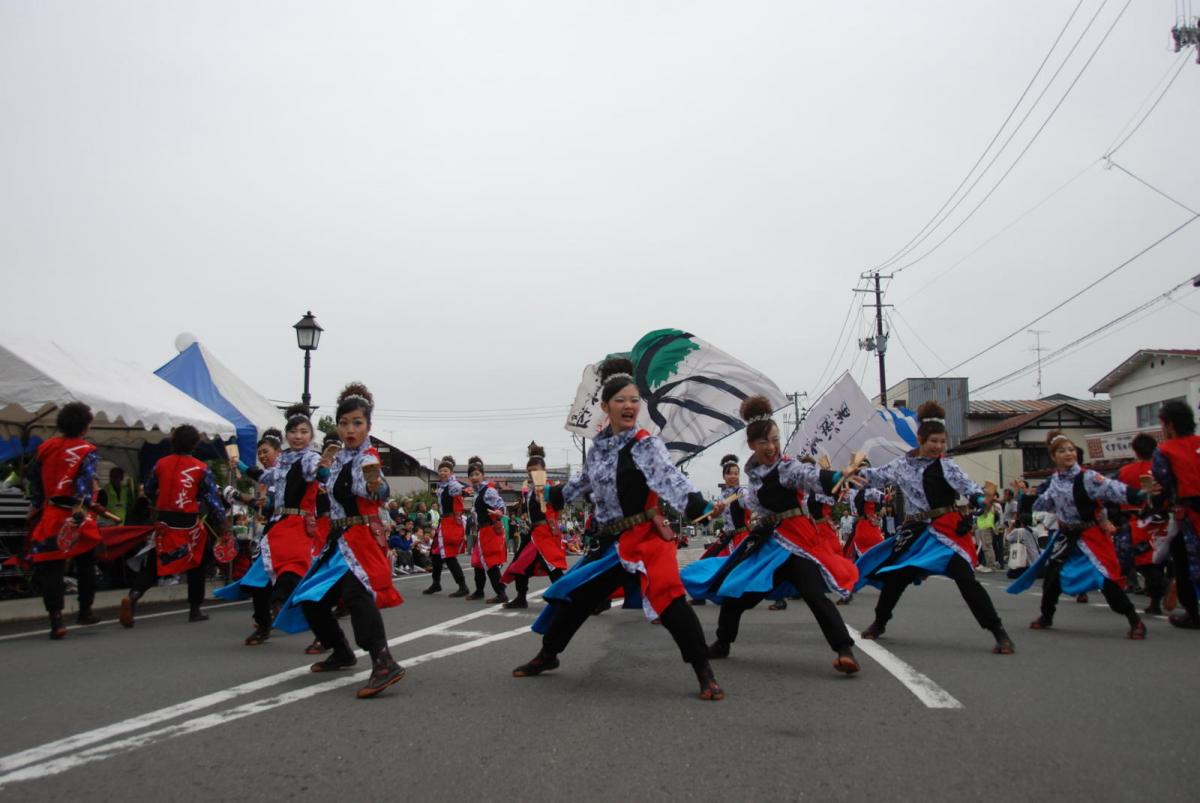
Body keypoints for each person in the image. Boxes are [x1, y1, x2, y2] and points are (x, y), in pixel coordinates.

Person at [513, 357, 726, 701]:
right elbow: (582, 483)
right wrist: (551, 494)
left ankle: (704, 671)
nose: (629, 406)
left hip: (645, 538)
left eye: (634, 400)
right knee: (577, 597)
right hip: (611, 541)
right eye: (620, 400)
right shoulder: (598, 447)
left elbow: (669, 479)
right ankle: (549, 654)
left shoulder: (645, 444)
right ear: (605, 407)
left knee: (670, 601)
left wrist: (699, 505)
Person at [681, 397, 861, 674]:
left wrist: (836, 477)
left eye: (775, 440)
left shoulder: (787, 467)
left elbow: (809, 475)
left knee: (813, 594)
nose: (772, 447)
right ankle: (722, 642)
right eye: (765, 442)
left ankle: (844, 649)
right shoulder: (753, 475)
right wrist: (721, 506)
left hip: (797, 543)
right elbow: (749, 501)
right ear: (752, 445)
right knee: (736, 592)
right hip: (770, 545)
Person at [273, 383, 406, 698]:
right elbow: (324, 490)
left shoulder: (366, 458)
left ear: (368, 426)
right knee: (310, 598)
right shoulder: (338, 458)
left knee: (356, 594)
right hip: (337, 540)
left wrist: (377, 485)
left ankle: (383, 661)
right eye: (344, 423)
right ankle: (341, 651)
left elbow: (377, 490)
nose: (350, 429)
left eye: (357, 423)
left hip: (360, 537)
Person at [854, 401, 1015, 654]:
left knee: (966, 580)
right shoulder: (901, 465)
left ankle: (998, 631)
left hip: (945, 534)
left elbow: (969, 489)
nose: (938, 447)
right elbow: (875, 476)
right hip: (916, 535)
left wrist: (982, 499)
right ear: (920, 439)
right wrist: (851, 472)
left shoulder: (947, 466)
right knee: (896, 578)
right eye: (933, 442)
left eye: (942, 442)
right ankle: (880, 622)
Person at [1007, 431, 1149, 639]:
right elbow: (1043, 502)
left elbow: (1112, 488)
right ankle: (1046, 616)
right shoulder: (1054, 481)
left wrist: (1138, 495)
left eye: (1071, 449)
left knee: (1106, 579)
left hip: (1089, 536)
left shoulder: (1088, 477)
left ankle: (1135, 621)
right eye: (1062, 451)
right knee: (1052, 579)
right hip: (1066, 537)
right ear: (1054, 456)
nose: (1068, 454)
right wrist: (1026, 496)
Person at [215, 407, 330, 646]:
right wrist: (242, 467)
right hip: (277, 527)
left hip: (298, 526)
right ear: (286, 435)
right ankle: (264, 624)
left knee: (294, 577)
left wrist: (324, 469)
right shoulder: (285, 459)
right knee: (258, 578)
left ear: (311, 436)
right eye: (293, 431)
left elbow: (318, 474)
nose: (298, 436)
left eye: (303, 431)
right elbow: (266, 477)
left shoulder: (311, 458)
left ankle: (323, 633)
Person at [121, 425, 229, 627]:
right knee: (197, 561)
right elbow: (213, 500)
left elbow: (150, 489)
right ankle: (194, 609)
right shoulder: (200, 468)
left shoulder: (161, 464)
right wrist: (223, 526)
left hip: (164, 521)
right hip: (188, 522)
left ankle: (134, 595)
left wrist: (158, 503)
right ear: (195, 444)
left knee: (155, 562)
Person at [24, 402, 104, 637]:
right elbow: (84, 484)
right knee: (87, 562)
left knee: (52, 567)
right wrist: (81, 511)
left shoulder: (45, 447)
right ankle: (85, 610)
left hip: (51, 513)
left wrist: (37, 504)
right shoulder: (87, 449)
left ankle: (56, 620)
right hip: (76, 514)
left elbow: (35, 480)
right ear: (85, 426)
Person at [1151, 400, 1200, 629]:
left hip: (1189, 513)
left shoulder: (1165, 450)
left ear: (1167, 423)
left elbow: (1164, 482)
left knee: (1184, 562)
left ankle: (1193, 613)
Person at [501, 443, 568, 608]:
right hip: (533, 533)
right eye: (529, 470)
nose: (532, 473)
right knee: (519, 564)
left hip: (545, 533)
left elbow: (559, 508)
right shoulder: (530, 491)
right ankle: (521, 597)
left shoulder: (550, 489)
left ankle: (566, 596)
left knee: (552, 566)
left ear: (544, 470)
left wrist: (551, 520)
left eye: (535, 470)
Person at [688, 454, 748, 606]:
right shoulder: (722, 496)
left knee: (754, 564)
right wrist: (714, 512)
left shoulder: (743, 492)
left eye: (736, 473)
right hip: (727, 536)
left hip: (742, 535)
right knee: (706, 561)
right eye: (730, 473)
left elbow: (750, 505)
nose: (733, 476)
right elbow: (715, 516)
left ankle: (777, 597)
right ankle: (700, 594)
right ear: (724, 476)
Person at [1116, 433, 1165, 614]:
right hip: (1165, 520)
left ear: (1135, 451)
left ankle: (1156, 599)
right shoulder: (1163, 470)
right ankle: (1166, 585)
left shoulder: (1125, 472)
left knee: (1145, 561)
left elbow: (1115, 496)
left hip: (1138, 522)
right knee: (1165, 559)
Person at [464, 457, 509, 603]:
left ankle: (501, 593)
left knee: (490, 562)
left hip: (489, 530)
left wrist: (499, 511)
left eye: (477, 474)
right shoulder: (478, 492)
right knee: (477, 562)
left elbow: (500, 503)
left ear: (483, 475)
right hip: (482, 530)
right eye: (471, 475)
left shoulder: (488, 490)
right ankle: (479, 591)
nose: (474, 477)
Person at [424, 456, 470, 596]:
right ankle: (436, 583)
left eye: (445, 470)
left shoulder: (452, 485)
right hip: (443, 523)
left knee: (449, 556)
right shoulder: (442, 486)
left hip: (450, 523)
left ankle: (462, 586)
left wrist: (464, 491)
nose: (443, 473)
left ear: (451, 472)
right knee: (436, 554)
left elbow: (460, 490)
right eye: (441, 470)